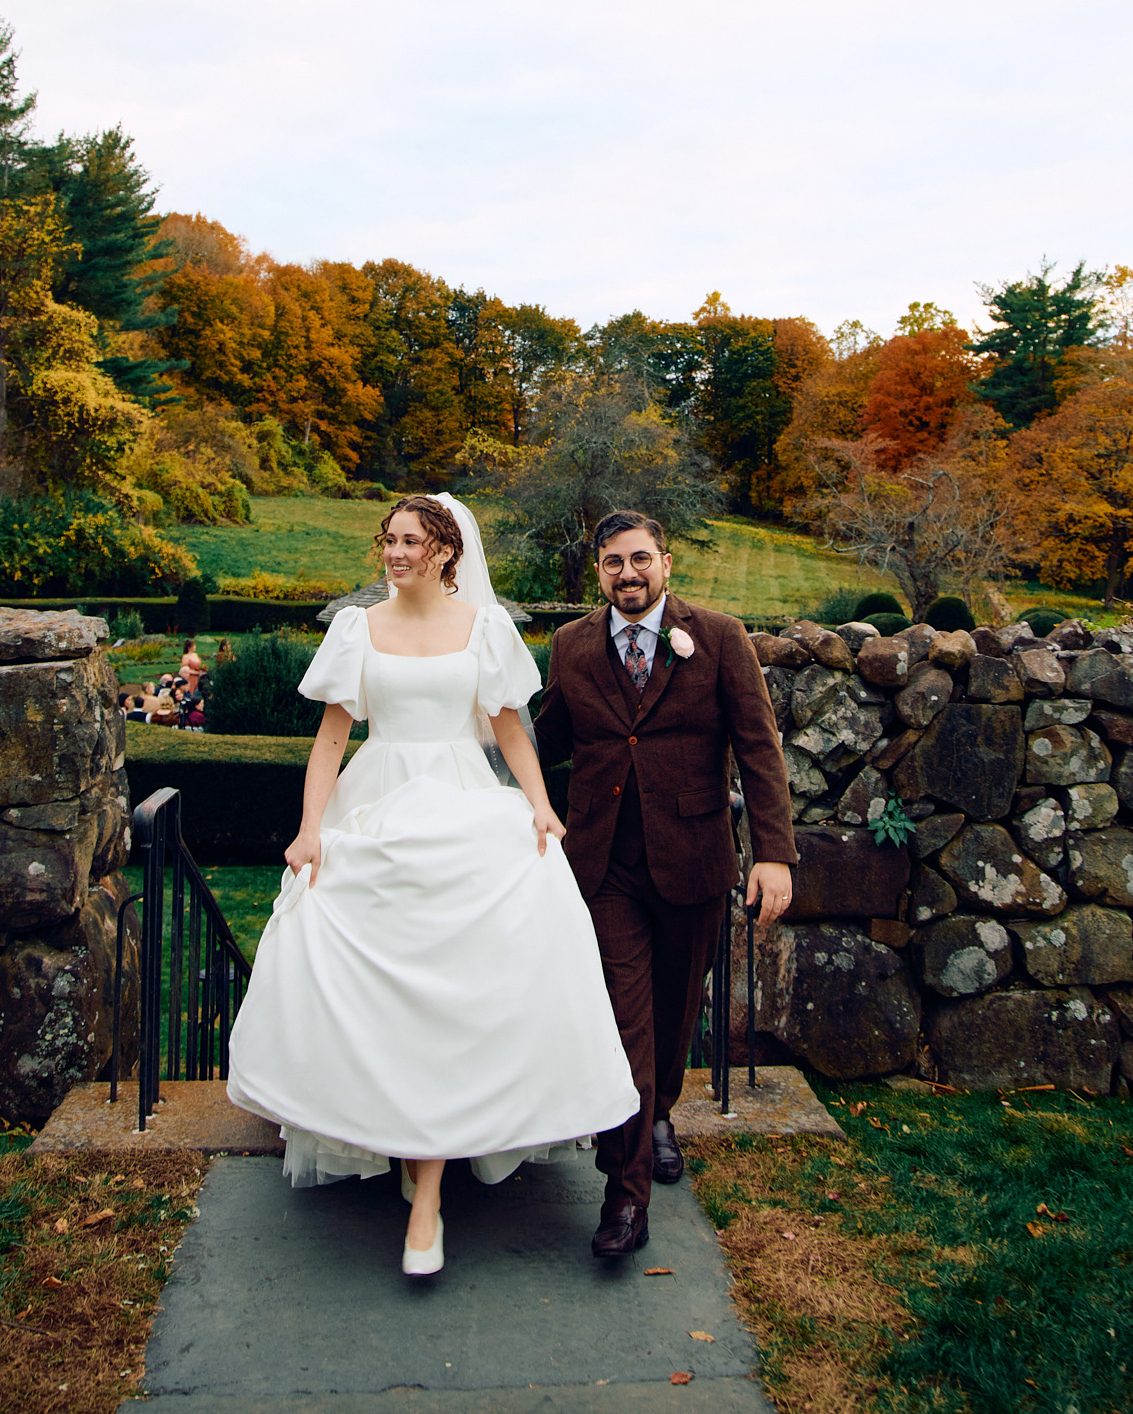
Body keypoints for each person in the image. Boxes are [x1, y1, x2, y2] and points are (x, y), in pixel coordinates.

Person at [226, 494, 638, 1278]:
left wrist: (541, 807)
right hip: (377, 801)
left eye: (410, 541)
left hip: (462, 800)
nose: (394, 552)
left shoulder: (485, 628)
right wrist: (310, 831)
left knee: (462, 984)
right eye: (389, 539)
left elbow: (509, 728)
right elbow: (331, 741)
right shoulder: (358, 628)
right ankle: (404, 1149)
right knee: (380, 988)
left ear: (446, 551)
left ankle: (429, 1190)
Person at [534, 509, 798, 1259]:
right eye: (614, 562)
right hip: (604, 866)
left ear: (666, 563)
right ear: (598, 572)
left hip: (693, 859)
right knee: (626, 1024)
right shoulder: (572, 644)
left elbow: (759, 748)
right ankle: (626, 1195)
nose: (629, 573)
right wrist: (472, 741)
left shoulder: (718, 637)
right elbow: (547, 741)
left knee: (676, 1015)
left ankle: (657, 1113)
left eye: (641, 559)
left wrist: (774, 853)